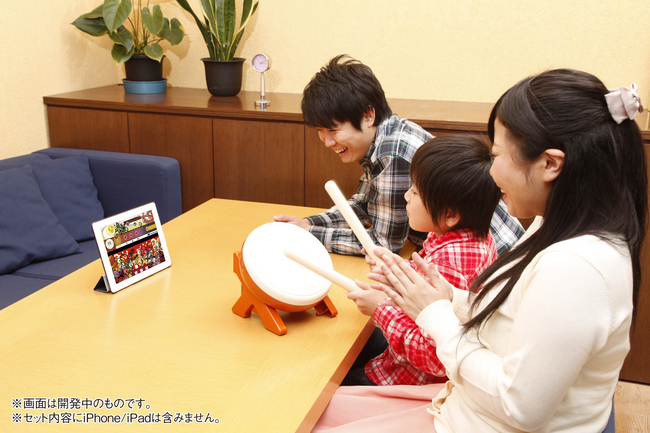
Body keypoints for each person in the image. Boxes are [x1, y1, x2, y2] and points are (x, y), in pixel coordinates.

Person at [314, 69, 646, 433]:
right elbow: (515, 314)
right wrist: (449, 297)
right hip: (465, 401)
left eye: (497, 153)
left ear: (550, 164)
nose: (491, 171)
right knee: (310, 409)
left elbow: (520, 407)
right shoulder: (556, 224)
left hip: (481, 419)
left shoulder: (575, 269)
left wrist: (434, 314)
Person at [273, 55, 523, 256]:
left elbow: (383, 244)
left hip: (492, 261)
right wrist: (309, 224)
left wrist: (311, 234)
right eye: (320, 131)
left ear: (368, 115)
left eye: (333, 130)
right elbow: (364, 204)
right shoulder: (389, 134)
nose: (327, 141)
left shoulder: (393, 154)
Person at [344, 135, 500, 386]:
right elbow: (428, 280)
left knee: (329, 379)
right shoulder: (471, 236)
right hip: (407, 350)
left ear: (450, 214)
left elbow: (435, 356)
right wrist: (397, 267)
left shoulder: (450, 263)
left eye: (415, 191)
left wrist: (379, 310)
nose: (407, 196)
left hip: (411, 378)